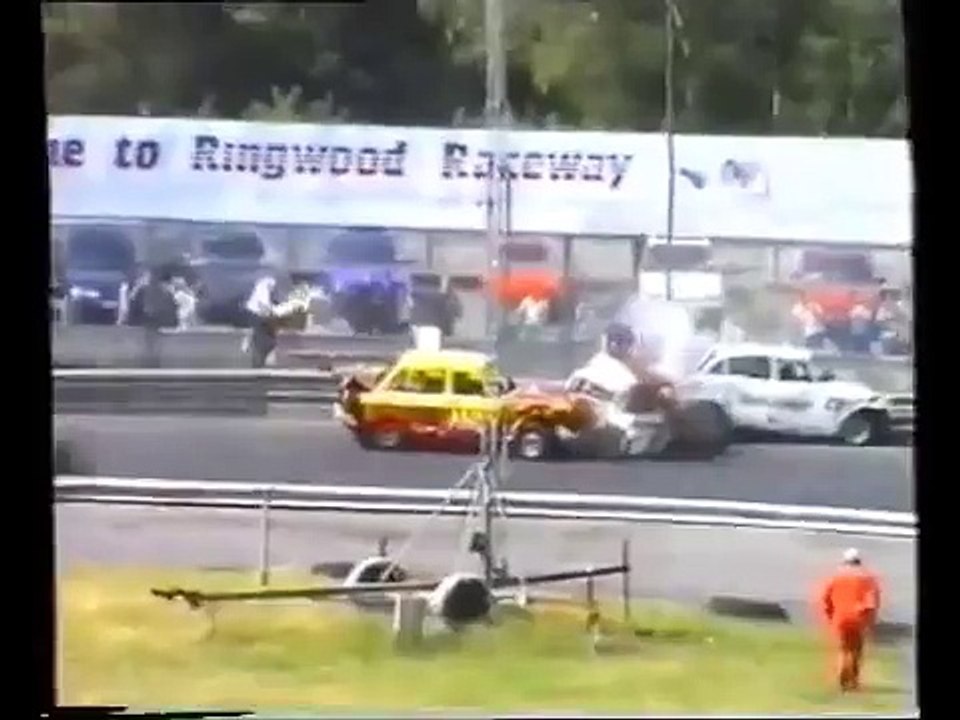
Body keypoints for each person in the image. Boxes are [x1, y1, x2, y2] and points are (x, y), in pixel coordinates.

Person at [816, 548, 882, 692]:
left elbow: (825, 599)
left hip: (840, 618)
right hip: (858, 618)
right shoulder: (867, 579)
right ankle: (852, 682)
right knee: (856, 651)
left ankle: (842, 679)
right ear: (859, 562)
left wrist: (829, 617)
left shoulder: (835, 577)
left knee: (843, 650)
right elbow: (871, 603)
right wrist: (870, 621)